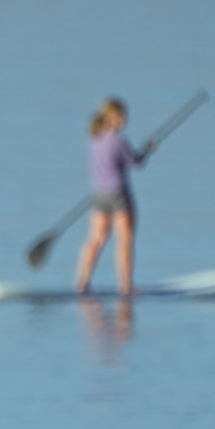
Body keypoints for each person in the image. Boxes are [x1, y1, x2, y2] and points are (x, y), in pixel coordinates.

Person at [76, 97, 154, 295]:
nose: (124, 118)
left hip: (98, 196)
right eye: (120, 115)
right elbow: (136, 162)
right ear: (110, 117)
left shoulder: (94, 139)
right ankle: (126, 285)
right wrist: (148, 150)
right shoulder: (119, 141)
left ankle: (82, 282)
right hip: (119, 196)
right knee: (124, 240)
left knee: (95, 239)